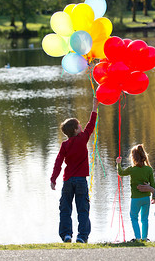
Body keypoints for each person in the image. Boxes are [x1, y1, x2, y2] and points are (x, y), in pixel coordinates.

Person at [50, 97, 99, 243]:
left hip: (67, 181)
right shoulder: (83, 138)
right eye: (79, 125)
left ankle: (66, 235)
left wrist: (53, 179)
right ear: (76, 130)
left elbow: (58, 162)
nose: (82, 126)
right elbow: (92, 124)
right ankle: (82, 237)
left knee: (65, 209)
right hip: (81, 181)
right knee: (82, 209)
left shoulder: (65, 145)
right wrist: (94, 106)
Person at [116, 144, 155, 242]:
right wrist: (154, 196)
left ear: (133, 157)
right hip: (146, 198)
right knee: (145, 218)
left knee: (134, 217)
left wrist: (118, 163)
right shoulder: (149, 169)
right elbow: (153, 186)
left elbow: (121, 173)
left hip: (135, 199)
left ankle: (138, 238)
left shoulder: (132, 169)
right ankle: (144, 238)